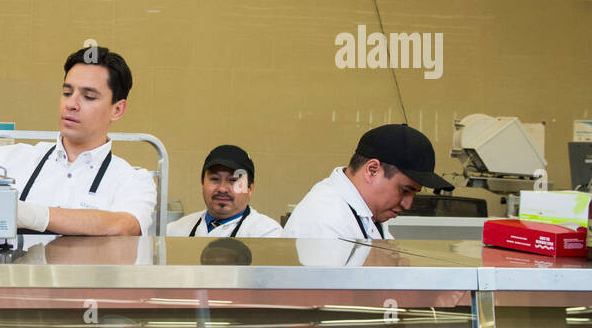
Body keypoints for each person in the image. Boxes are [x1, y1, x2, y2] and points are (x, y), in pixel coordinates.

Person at [0, 48, 156, 236]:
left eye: (89, 97)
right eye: (67, 92)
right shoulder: (6, 160)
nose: (71, 104)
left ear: (117, 109)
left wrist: (30, 214)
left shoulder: (132, 180)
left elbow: (123, 226)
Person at [284, 123, 453, 240]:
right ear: (372, 170)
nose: (407, 205)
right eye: (404, 190)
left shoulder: (367, 212)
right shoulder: (325, 222)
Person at [165, 144, 283, 238]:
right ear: (202, 184)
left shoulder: (267, 234)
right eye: (215, 179)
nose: (222, 188)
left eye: (233, 180)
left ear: (250, 189)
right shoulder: (174, 231)